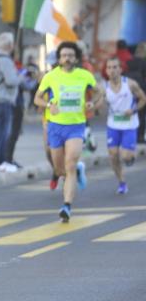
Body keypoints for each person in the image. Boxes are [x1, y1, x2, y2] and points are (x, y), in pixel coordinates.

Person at [34, 41, 101, 222]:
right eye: (64, 56)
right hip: (55, 126)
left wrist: (92, 104)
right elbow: (37, 99)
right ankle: (75, 171)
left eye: (71, 55)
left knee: (69, 164)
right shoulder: (50, 77)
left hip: (76, 126)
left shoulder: (84, 75)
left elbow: (98, 93)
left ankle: (67, 206)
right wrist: (49, 105)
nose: (67, 59)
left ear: (76, 58)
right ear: (59, 58)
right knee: (59, 167)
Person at [94, 56, 145, 194]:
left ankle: (130, 157)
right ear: (106, 70)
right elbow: (98, 104)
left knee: (125, 156)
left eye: (115, 67)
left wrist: (133, 110)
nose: (112, 70)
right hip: (113, 125)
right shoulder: (103, 87)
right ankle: (122, 182)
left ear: (120, 69)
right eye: (109, 68)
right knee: (113, 155)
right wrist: (95, 106)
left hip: (129, 125)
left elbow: (143, 99)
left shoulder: (130, 84)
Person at [0, 33, 21, 172]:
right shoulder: (5, 60)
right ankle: (1, 162)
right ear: (10, 45)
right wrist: (21, 77)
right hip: (3, 99)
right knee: (4, 132)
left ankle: (0, 161)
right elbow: (11, 81)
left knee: (1, 132)